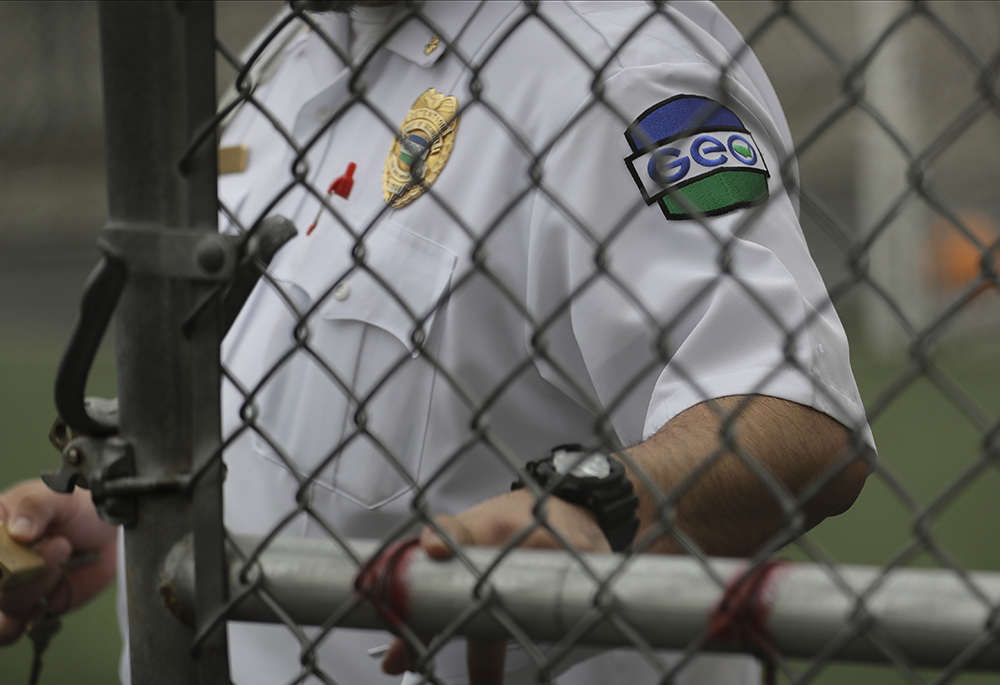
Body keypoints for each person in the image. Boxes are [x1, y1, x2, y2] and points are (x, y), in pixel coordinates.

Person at [0, 2, 875, 684]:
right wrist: (142, 521)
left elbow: (799, 421)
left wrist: (592, 505)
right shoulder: (290, 51)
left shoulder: (609, 64)